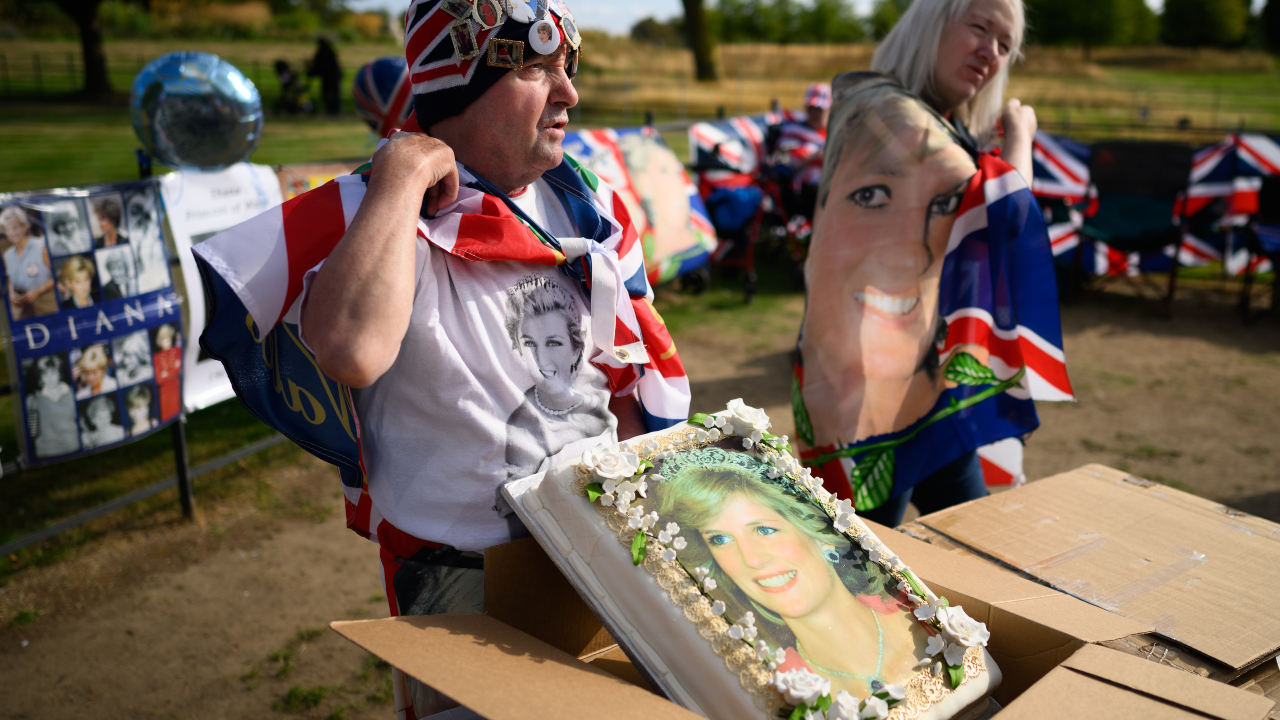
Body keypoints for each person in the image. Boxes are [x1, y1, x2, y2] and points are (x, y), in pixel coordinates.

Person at [193, 4, 688, 717]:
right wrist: (403, 171)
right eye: (535, 67)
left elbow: (628, 377)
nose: (569, 93)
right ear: (459, 88)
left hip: (600, 549)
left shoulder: (592, 207)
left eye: (567, 69)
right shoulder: (376, 211)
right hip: (461, 577)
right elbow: (351, 349)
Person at [795, 74, 996, 528]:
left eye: (1007, 43)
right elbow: (1007, 224)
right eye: (872, 196)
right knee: (860, 561)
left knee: (973, 550)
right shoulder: (889, 114)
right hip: (874, 407)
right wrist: (1020, 138)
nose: (992, 53)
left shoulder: (946, 126)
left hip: (931, 383)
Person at [653, 448, 926, 699]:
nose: (752, 560)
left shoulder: (920, 612)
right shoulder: (767, 688)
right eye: (720, 540)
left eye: (765, 530)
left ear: (820, 534)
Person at [871, 0, 1035, 182]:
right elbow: (1009, 208)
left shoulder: (951, 127)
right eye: (979, 27)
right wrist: (1020, 133)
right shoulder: (886, 119)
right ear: (930, 23)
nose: (992, 53)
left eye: (1004, 46)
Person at [504, 275, 612, 481]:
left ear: (576, 348)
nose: (540, 359)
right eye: (529, 344)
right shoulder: (521, 429)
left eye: (553, 343)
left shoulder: (596, 401)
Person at [769, 82, 832, 220]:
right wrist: (815, 157)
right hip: (804, 191)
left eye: (819, 109)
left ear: (829, 110)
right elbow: (787, 161)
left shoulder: (835, 135)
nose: (814, 113)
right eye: (811, 108)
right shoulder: (794, 131)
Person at [2, 206, 58, 319]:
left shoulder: (41, 246)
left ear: (25, 226)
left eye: (15, 228)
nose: (12, 233)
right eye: (7, 229)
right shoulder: (7, 255)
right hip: (23, 309)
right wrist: (11, 293)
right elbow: (10, 279)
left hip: (47, 305)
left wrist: (38, 290)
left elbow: (57, 277)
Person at [25, 355, 80, 458]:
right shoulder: (33, 400)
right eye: (45, 374)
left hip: (74, 447)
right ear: (41, 377)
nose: (49, 378)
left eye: (53, 373)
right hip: (46, 452)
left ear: (59, 374)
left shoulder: (72, 393)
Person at [151, 324, 182, 422]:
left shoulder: (177, 351)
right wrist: (174, 370)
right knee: (166, 418)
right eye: (165, 340)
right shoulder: (156, 357)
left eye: (169, 339)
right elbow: (158, 379)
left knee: (177, 415)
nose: (167, 342)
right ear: (160, 341)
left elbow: (181, 369)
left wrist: (166, 373)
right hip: (164, 393)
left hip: (176, 389)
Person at [308, 38, 343, 116]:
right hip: (334, 76)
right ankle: (335, 109)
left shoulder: (321, 54)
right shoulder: (330, 52)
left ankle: (331, 109)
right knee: (335, 93)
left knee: (326, 93)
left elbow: (318, 66)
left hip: (329, 76)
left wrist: (311, 71)